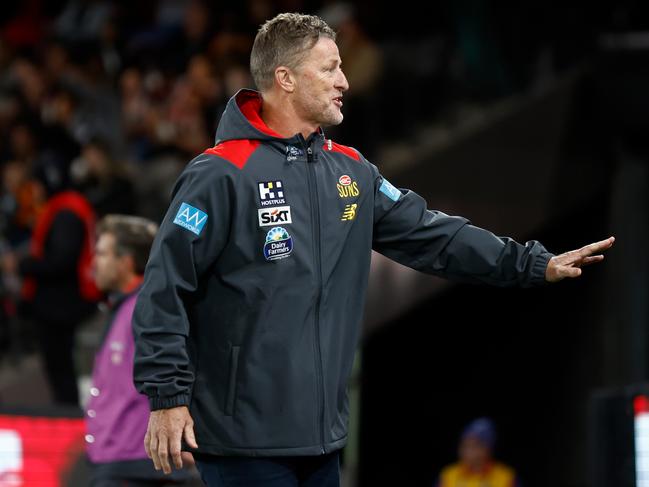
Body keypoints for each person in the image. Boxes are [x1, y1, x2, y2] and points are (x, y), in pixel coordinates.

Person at [132, 12, 615, 487]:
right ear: (285, 79)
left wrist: (531, 263)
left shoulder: (351, 171)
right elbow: (164, 288)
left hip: (321, 440)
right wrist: (167, 397)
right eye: (329, 68)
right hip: (242, 440)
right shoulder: (220, 173)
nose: (344, 80)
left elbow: (434, 235)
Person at [87, 214, 192, 485]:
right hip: (118, 460)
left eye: (102, 254)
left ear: (125, 262)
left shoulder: (147, 310)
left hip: (138, 464)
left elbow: (184, 367)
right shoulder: (123, 308)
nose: (93, 264)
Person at [436, 418, 520, 487]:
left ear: (487, 449)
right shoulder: (448, 475)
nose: (465, 451)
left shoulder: (506, 477)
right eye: (464, 445)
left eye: (473, 446)